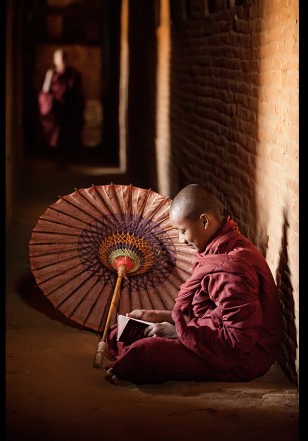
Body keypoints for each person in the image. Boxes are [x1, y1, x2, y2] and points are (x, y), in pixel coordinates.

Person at [104, 184, 284, 385]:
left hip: (245, 358)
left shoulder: (232, 268)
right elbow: (211, 313)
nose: (181, 240)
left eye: (183, 231)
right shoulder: (220, 248)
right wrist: (156, 316)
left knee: (147, 351)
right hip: (215, 334)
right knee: (121, 330)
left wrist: (177, 332)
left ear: (204, 221)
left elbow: (237, 341)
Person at [38, 48, 85, 169]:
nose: (62, 60)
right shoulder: (52, 74)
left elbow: (79, 94)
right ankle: (58, 162)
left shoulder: (74, 75)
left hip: (69, 112)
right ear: (55, 60)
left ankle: (67, 161)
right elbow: (45, 93)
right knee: (55, 138)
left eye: (64, 57)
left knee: (68, 138)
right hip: (56, 112)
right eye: (59, 57)